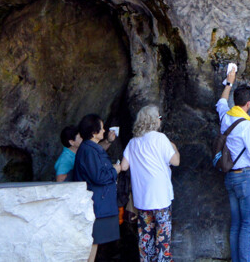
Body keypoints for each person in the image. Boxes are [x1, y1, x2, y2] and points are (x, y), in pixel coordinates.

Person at [216, 74, 250, 262]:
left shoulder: (226, 116)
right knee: (247, 227)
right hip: (246, 178)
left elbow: (221, 102)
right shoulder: (247, 125)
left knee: (236, 225)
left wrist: (229, 81)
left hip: (230, 177)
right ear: (249, 103)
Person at [119, 106, 179, 262]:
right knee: (163, 236)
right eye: (159, 118)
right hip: (161, 197)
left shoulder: (133, 142)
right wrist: (174, 148)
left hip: (142, 198)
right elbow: (175, 161)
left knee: (146, 236)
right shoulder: (160, 139)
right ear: (154, 120)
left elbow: (124, 166)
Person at [71, 114, 119, 262]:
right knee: (92, 244)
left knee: (94, 244)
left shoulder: (89, 148)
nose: (104, 130)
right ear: (94, 132)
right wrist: (115, 170)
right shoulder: (88, 150)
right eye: (102, 128)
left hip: (97, 204)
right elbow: (98, 177)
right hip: (95, 204)